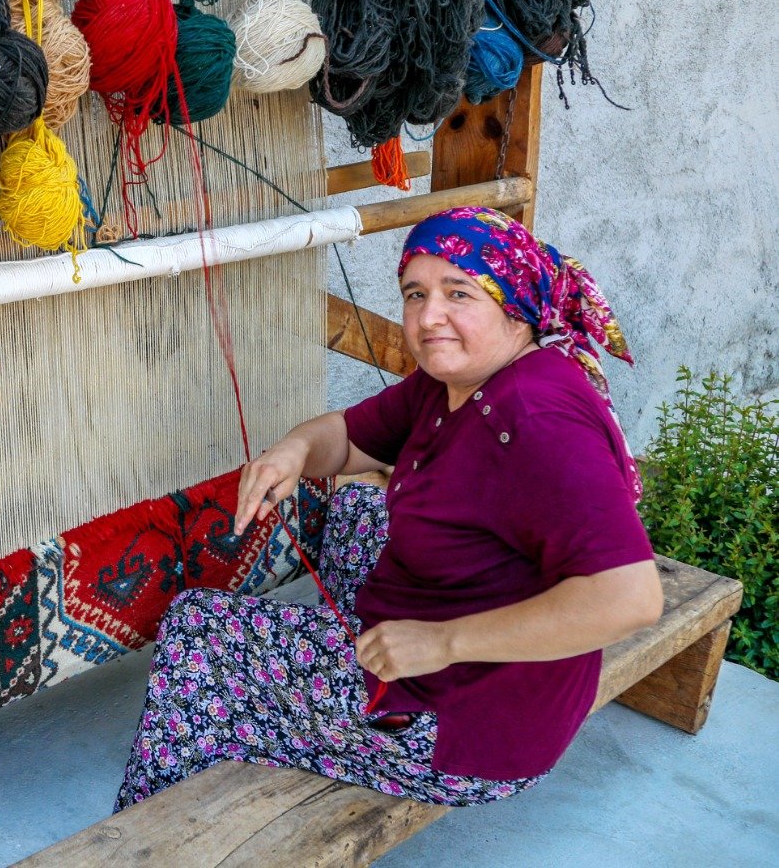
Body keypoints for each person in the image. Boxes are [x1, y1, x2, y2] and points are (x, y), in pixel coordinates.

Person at [116, 206, 663, 809]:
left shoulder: (534, 420)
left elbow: (629, 599)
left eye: (460, 293)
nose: (430, 317)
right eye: (415, 293)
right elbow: (350, 438)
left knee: (200, 629)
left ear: (516, 306)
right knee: (356, 510)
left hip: (468, 727)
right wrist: (293, 451)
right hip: (457, 650)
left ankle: (156, 821)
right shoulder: (453, 381)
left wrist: (441, 642)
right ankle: (329, 676)